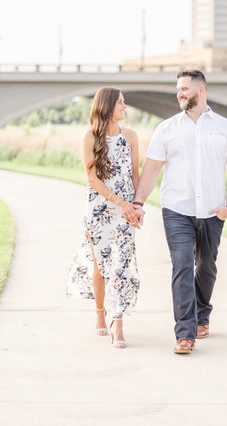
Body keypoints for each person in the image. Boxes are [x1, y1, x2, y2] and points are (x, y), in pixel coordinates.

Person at [133, 69, 227, 354]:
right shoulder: (167, 128)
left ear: (201, 90)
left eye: (184, 88)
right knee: (182, 265)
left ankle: (202, 314)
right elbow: (152, 169)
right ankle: (185, 333)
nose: (179, 93)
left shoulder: (226, 128)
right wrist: (138, 203)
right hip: (176, 210)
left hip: (212, 211)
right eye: (178, 89)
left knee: (206, 267)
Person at [66, 87, 141, 349]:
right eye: (120, 103)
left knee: (121, 264)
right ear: (108, 107)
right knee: (100, 266)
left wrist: (137, 205)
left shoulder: (130, 136)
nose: (125, 107)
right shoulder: (89, 138)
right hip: (99, 211)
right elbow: (92, 179)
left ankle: (117, 322)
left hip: (126, 213)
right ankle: (100, 313)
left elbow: (135, 176)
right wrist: (120, 202)